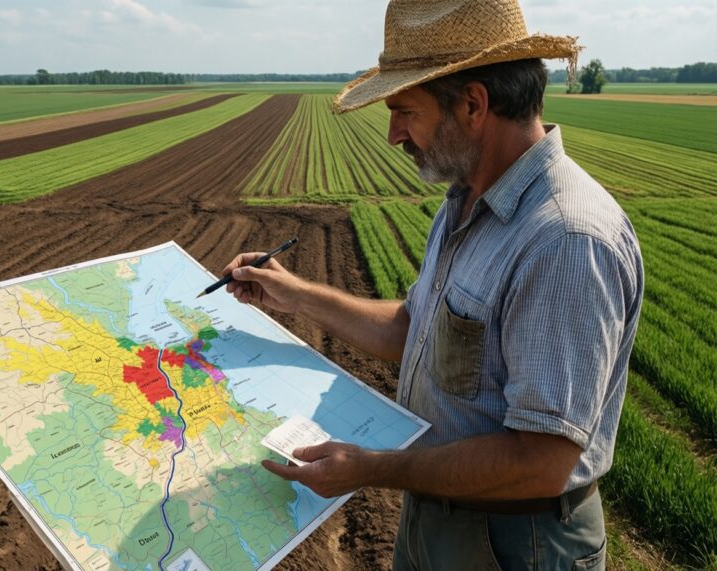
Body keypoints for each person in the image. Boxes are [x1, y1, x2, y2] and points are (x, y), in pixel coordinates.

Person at [222, 0, 643, 568]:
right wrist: (292, 292)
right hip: (439, 517)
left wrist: (372, 468)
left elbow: (540, 461)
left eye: (405, 111)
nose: (394, 134)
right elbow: (416, 327)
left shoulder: (565, 240)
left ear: (473, 104)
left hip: (517, 542)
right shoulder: (467, 200)